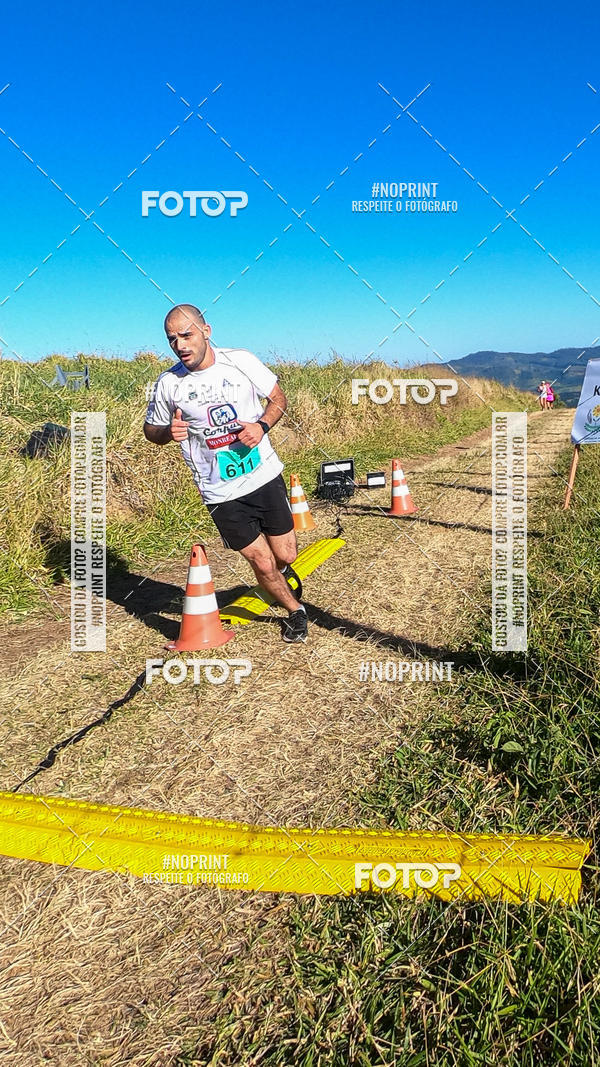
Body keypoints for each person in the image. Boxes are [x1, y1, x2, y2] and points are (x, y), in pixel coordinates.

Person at [143, 304, 308, 642]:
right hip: (220, 491)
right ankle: (295, 611)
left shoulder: (241, 361)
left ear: (207, 331)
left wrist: (261, 427)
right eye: (172, 339)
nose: (180, 345)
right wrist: (166, 434)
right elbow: (152, 431)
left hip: (263, 474)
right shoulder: (169, 384)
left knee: (285, 554)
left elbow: (278, 399)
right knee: (261, 562)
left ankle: (282, 572)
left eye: (186, 335)